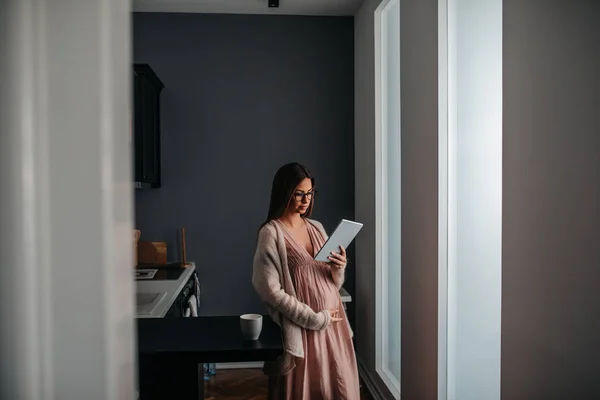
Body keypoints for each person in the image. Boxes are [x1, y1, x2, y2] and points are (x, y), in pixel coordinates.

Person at [252, 162, 361, 400]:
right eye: (299, 194)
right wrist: (312, 318)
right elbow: (269, 290)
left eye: (310, 193)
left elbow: (333, 282)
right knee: (308, 390)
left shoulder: (317, 227)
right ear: (285, 192)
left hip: (333, 323)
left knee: (338, 387)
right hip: (304, 326)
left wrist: (338, 268)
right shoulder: (271, 233)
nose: (306, 200)